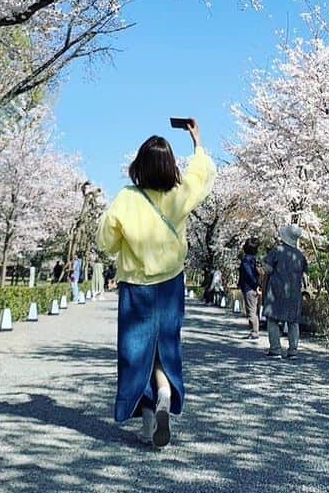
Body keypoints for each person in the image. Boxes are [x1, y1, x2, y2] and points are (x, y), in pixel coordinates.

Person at [97, 119, 217, 448]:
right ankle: (165, 390)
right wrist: (197, 141)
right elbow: (201, 175)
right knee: (166, 345)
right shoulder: (180, 194)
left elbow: (105, 241)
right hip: (171, 285)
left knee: (136, 351)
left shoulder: (126, 198)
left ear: (139, 165)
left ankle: (147, 421)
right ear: (169, 166)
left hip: (136, 287)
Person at [261, 224, 308, 359]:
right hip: (294, 292)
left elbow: (268, 269)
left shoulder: (277, 250)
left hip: (276, 290)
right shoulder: (300, 255)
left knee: (273, 319)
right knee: (293, 321)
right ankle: (293, 350)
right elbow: (305, 275)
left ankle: (275, 349)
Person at [237, 239, 262, 340]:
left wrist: (255, 285)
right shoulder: (255, 259)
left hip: (249, 287)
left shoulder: (246, 260)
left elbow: (249, 274)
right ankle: (254, 331)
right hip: (253, 287)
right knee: (253, 309)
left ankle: (254, 332)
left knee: (251, 310)